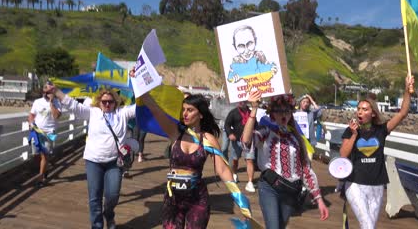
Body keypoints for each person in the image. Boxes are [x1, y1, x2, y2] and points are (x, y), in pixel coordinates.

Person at [140, 92, 245, 228]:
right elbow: (155, 109)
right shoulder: (175, 133)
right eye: (183, 110)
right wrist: (140, 85)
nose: (185, 114)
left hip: (197, 199)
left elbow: (222, 169)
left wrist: (238, 195)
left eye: (190, 110)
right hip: (173, 199)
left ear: (200, 114)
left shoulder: (208, 139)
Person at [52, 86, 136, 229]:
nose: (107, 104)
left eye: (110, 101)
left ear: (116, 102)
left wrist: (141, 83)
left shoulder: (123, 113)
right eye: (104, 102)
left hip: (114, 162)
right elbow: (74, 106)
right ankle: (97, 225)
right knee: (94, 197)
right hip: (93, 162)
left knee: (112, 195)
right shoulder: (93, 113)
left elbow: (139, 107)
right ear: (99, 102)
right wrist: (57, 92)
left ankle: (109, 214)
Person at [242, 91, 329, 229]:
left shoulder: (297, 138)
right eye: (279, 111)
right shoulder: (266, 132)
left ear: (291, 113)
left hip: (291, 190)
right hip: (270, 187)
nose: (283, 114)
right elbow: (246, 141)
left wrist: (319, 200)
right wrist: (254, 109)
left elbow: (306, 168)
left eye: (287, 111)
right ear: (272, 114)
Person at [340, 75, 414, 229]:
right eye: (358, 109)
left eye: (364, 109)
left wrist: (408, 91)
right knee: (367, 225)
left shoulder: (381, 130)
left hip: (377, 185)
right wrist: (354, 135)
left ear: (373, 113)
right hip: (354, 183)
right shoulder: (351, 130)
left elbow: (402, 114)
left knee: (370, 226)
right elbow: (343, 154)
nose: (360, 112)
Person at [28, 82, 62, 188]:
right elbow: (32, 114)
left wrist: (52, 102)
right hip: (36, 131)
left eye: (49, 92)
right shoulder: (37, 102)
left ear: (53, 92)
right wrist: (30, 122)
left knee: (44, 155)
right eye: (45, 91)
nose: (47, 94)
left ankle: (41, 178)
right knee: (36, 154)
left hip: (50, 133)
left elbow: (56, 116)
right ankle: (46, 167)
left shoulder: (57, 102)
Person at [226, 25, 277, 93]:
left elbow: (269, 67)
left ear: (255, 41)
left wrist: (273, 70)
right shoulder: (236, 61)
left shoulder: (260, 55)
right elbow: (229, 79)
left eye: (249, 44)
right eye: (241, 46)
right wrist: (233, 80)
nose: (246, 51)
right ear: (235, 47)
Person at [224, 101, 256, 192]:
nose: (242, 103)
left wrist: (257, 134)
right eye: (241, 101)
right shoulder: (233, 112)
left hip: (249, 141)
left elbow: (255, 125)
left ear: (247, 102)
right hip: (237, 140)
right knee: (235, 159)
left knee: (249, 160)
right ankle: (234, 173)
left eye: (244, 101)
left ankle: (250, 182)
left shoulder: (251, 113)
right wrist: (230, 134)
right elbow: (227, 124)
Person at [293, 94, 322, 159]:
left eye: (307, 102)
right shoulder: (294, 113)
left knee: (308, 162)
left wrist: (312, 100)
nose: (306, 104)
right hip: (296, 141)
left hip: (309, 142)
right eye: (304, 102)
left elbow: (320, 112)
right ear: (300, 103)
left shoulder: (311, 113)